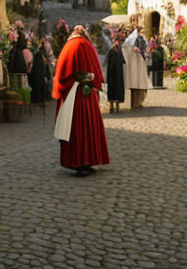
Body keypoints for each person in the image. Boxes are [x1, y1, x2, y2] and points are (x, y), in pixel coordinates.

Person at [52, 25, 110, 176]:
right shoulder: (85, 45)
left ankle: (77, 162)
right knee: (87, 127)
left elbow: (61, 75)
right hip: (84, 95)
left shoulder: (67, 46)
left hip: (70, 95)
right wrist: (91, 81)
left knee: (74, 129)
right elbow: (96, 73)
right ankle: (86, 161)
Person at [123, 29, 150, 108]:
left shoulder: (141, 39)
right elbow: (126, 49)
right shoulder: (130, 40)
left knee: (139, 83)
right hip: (134, 64)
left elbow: (145, 49)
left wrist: (143, 53)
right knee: (134, 83)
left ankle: (139, 102)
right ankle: (134, 103)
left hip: (139, 62)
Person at [105, 34, 126, 114]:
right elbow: (123, 61)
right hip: (117, 73)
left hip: (112, 72)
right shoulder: (119, 50)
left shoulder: (112, 50)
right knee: (117, 89)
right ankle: (115, 107)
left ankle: (112, 107)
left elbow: (107, 61)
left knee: (112, 89)